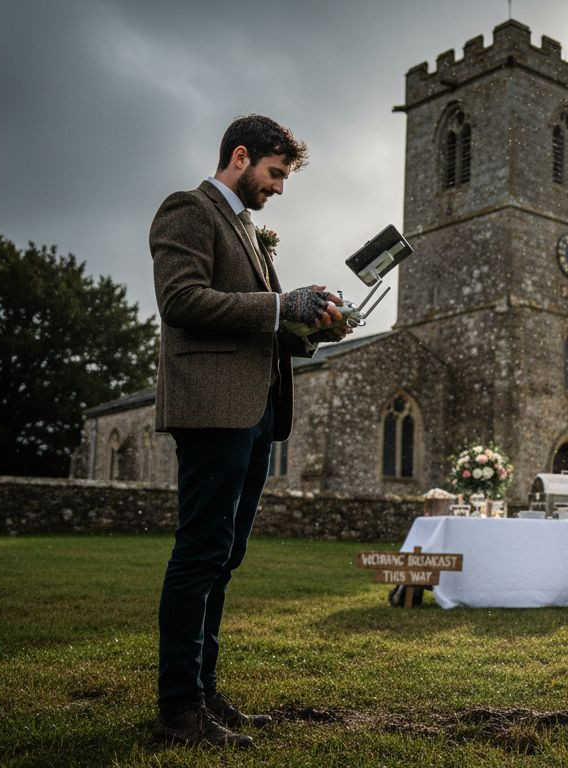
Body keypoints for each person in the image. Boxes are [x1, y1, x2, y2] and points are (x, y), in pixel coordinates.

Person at [150, 115, 349, 749]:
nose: (281, 188)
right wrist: (277, 305)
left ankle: (205, 694)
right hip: (212, 411)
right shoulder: (188, 209)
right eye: (275, 173)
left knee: (226, 557)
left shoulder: (247, 230)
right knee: (200, 553)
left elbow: (261, 327)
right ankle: (179, 712)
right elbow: (181, 301)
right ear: (240, 157)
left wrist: (313, 325)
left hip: (258, 412)